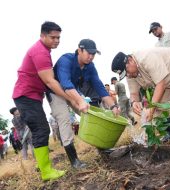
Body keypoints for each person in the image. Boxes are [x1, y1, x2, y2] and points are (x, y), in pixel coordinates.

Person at [12, 21, 85, 180]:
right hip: (26, 95)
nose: (57, 41)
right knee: (42, 129)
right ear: (42, 36)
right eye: (53, 37)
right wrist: (71, 99)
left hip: (31, 96)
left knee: (40, 129)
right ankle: (46, 171)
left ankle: (42, 166)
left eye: (58, 37)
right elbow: (50, 82)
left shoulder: (44, 50)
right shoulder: (40, 52)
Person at [47, 38, 120, 168]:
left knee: (92, 113)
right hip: (56, 92)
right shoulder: (66, 60)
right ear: (79, 50)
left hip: (72, 91)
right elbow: (65, 83)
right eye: (89, 53)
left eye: (94, 54)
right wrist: (79, 100)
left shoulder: (90, 66)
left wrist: (113, 105)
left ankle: (102, 148)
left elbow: (99, 86)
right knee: (64, 119)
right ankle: (74, 160)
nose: (91, 57)